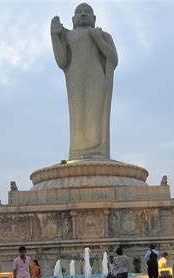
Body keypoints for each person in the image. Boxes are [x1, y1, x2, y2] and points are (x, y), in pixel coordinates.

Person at [51, 3, 118, 160]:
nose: (82, 14)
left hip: (96, 79)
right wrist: (54, 36)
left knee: (95, 114)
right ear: (73, 19)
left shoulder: (103, 35)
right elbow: (62, 61)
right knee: (78, 117)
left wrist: (97, 38)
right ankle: (78, 153)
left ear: (94, 18)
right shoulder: (67, 36)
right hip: (76, 79)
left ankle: (98, 151)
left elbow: (113, 59)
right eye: (79, 11)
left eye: (87, 11)